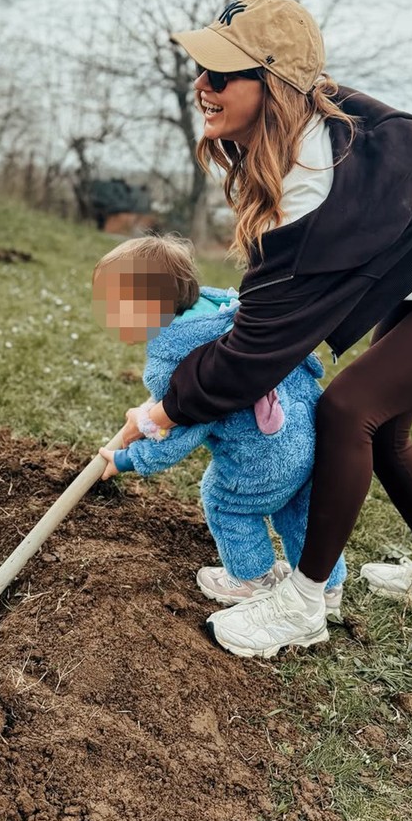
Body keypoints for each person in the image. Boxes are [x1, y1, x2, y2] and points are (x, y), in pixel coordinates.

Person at [114, 0, 412, 660]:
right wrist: (168, 406)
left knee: (349, 412)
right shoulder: (304, 122)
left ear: (277, 87)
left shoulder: (310, 188)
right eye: (200, 69)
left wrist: (164, 412)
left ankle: (304, 601)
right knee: (388, 426)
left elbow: (251, 355)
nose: (200, 85)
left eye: (222, 74)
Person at [93, 234, 347, 613]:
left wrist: (128, 459)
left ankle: (250, 578)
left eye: (113, 308)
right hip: (308, 432)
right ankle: (324, 585)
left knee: (226, 501)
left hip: (262, 454)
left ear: (149, 306)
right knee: (297, 507)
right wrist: (149, 416)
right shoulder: (221, 308)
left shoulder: (175, 355)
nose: (105, 317)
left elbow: (183, 427)